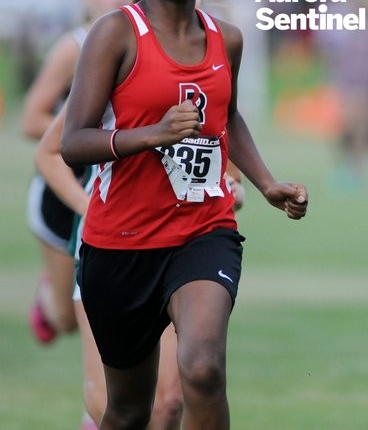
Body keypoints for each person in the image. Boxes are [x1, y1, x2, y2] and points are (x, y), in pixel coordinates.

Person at [60, 0, 308, 430]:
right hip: (118, 244)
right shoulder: (115, 35)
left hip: (203, 230)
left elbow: (228, 117)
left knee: (201, 369)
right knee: (127, 409)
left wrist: (266, 182)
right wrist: (151, 134)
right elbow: (74, 141)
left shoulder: (229, 39)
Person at [35, 105, 245, 429]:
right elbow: (49, 150)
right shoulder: (112, 59)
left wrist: (234, 190)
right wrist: (86, 207)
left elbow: (230, 173)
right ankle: (51, 297)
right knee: (114, 406)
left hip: (181, 248)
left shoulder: (208, 69)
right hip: (111, 249)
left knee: (169, 405)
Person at [21, 0, 130, 344]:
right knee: (65, 318)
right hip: (63, 193)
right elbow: (31, 119)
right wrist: (84, 134)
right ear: (87, 0)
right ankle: (47, 294)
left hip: (115, 192)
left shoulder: (142, 41)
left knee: (104, 307)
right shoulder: (75, 47)